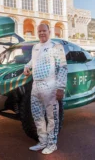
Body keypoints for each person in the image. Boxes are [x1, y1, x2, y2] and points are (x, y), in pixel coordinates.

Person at [23, 24, 67, 155]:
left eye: (44, 31)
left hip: (50, 86)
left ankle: (52, 144)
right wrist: (27, 66)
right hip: (36, 86)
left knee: (52, 117)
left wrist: (60, 87)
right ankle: (42, 142)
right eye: (39, 31)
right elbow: (33, 61)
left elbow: (63, 67)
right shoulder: (36, 47)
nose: (42, 33)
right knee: (37, 115)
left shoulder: (56, 47)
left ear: (49, 31)